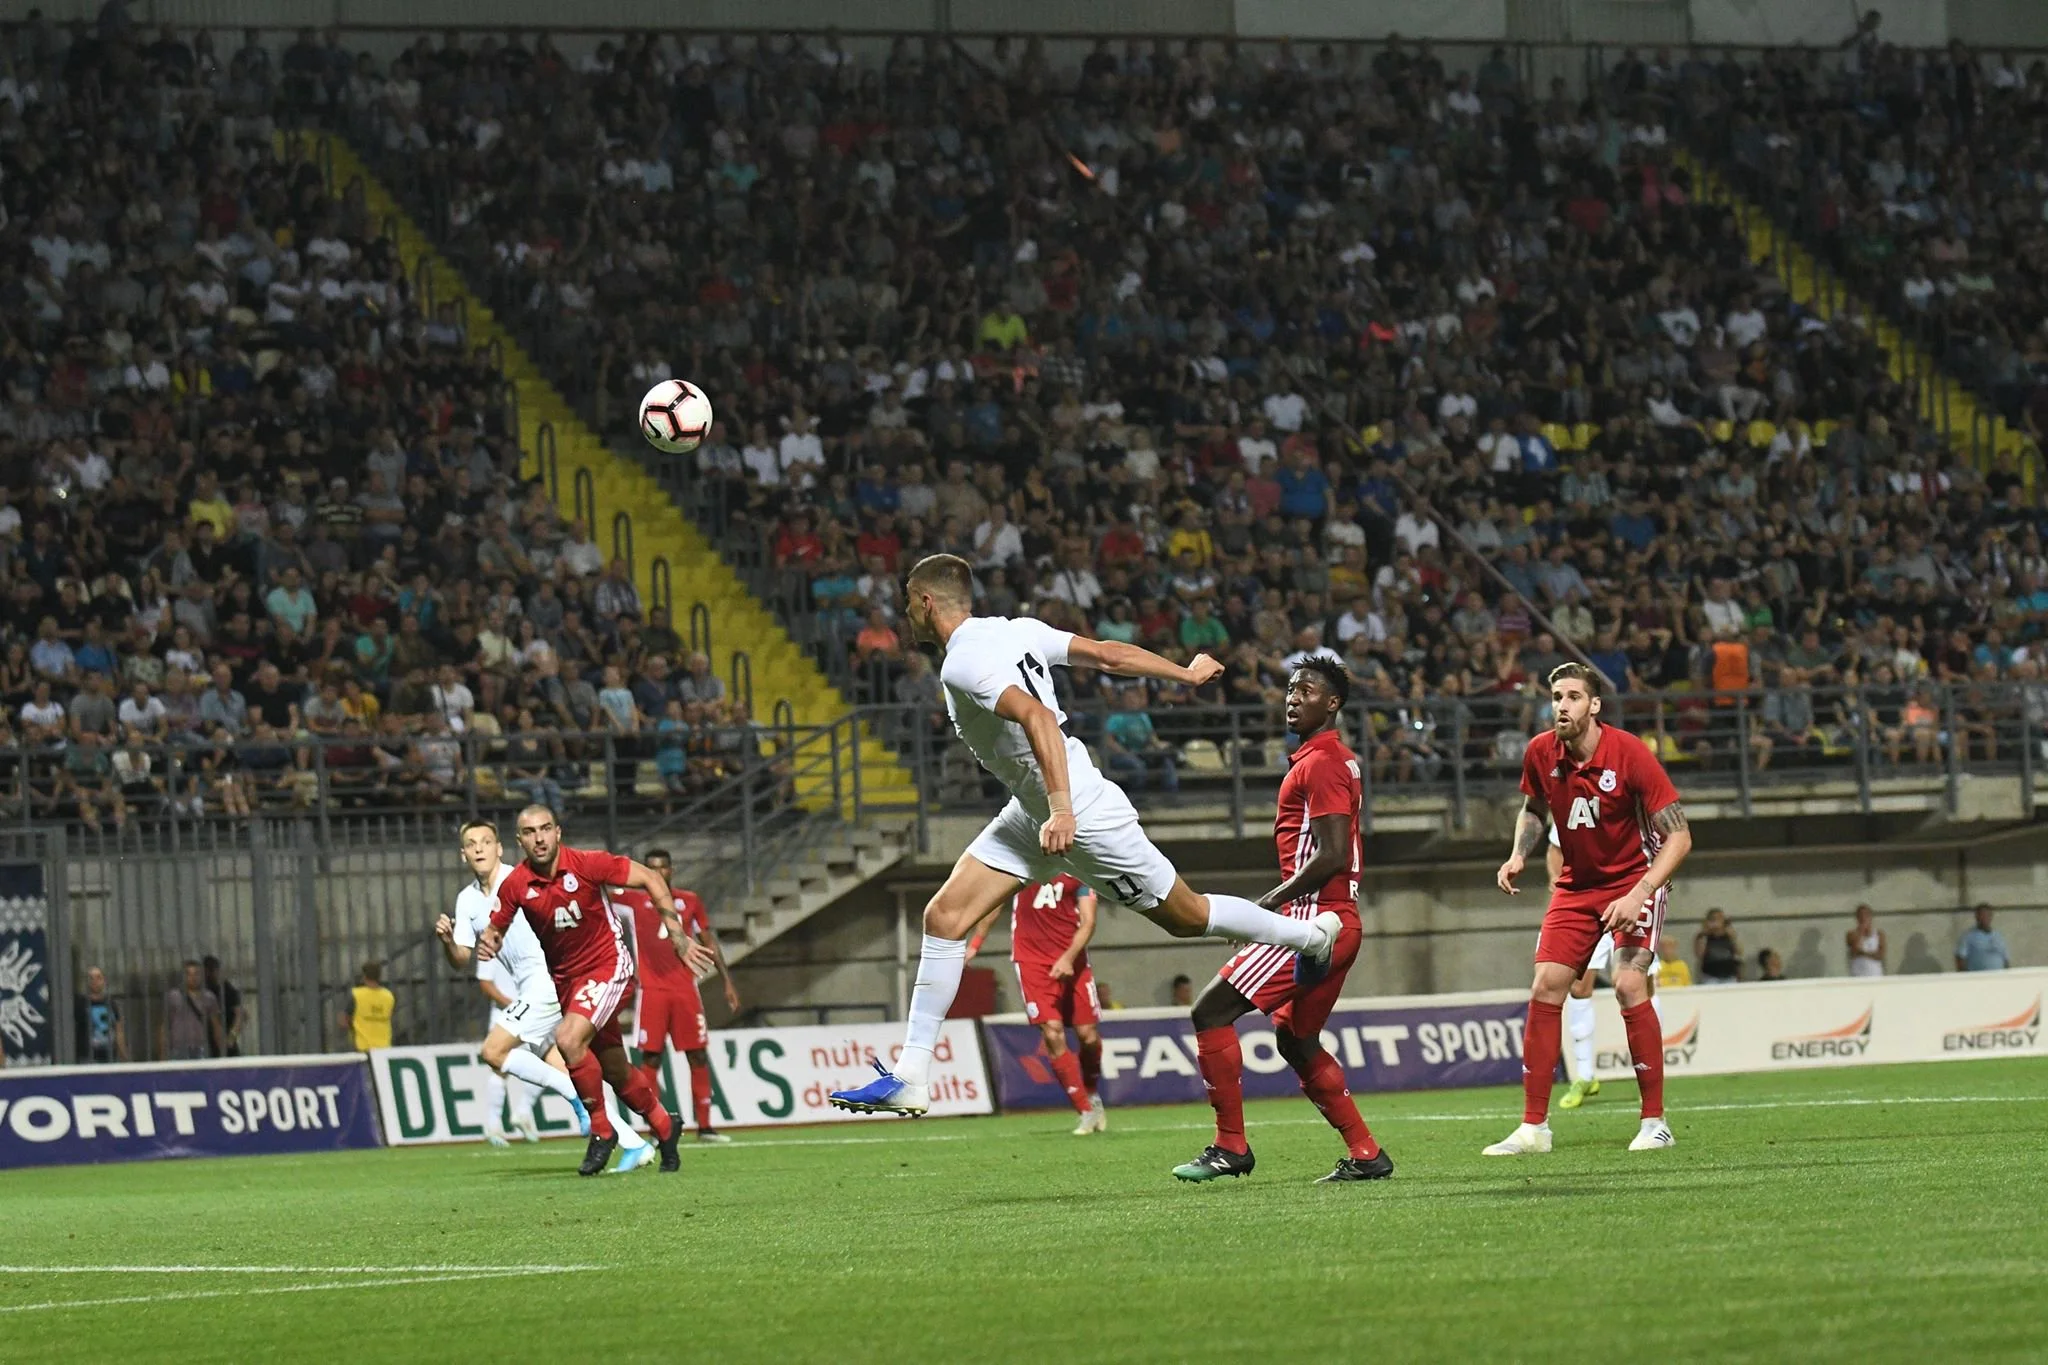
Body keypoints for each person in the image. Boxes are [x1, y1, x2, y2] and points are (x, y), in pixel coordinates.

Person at [828, 554, 1339, 1119]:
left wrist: (1062, 810)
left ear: (926, 603)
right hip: (1033, 809)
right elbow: (1107, 655)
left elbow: (1040, 720)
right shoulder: (1015, 631)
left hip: (1079, 812)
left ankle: (1311, 938)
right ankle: (911, 1075)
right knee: (945, 917)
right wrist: (1185, 673)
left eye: (908, 602)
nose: (905, 613)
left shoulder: (963, 663)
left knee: (1187, 917)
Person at [1172, 660, 1391, 1184]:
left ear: (1332, 704)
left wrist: (1267, 906)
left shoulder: (1322, 764)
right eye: (1291, 689)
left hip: (1313, 923)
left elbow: (1332, 854)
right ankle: (1367, 1153)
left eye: (1307, 690)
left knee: (1210, 1011)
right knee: (1296, 1040)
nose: (1293, 698)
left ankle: (1230, 1146)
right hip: (1339, 922)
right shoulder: (1332, 760)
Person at [1487, 662, 1692, 1156]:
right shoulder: (1541, 751)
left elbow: (1680, 837)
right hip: (1576, 888)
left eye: (1573, 697)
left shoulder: (1630, 753)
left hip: (1635, 879)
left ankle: (1655, 1123)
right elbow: (1534, 808)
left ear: (1595, 705)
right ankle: (1534, 1129)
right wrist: (1518, 855)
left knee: (1627, 983)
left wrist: (1639, 893)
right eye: (1556, 696)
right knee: (1546, 986)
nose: (1562, 705)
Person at [478, 804, 714, 1176]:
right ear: (519, 840)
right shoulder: (516, 885)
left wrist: (679, 937)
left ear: (558, 832)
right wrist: (489, 940)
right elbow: (497, 927)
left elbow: (651, 877)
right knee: (615, 1070)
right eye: (530, 832)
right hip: (567, 983)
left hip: (609, 966)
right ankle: (665, 1125)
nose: (539, 838)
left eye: (545, 828)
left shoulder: (589, 864)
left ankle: (602, 1130)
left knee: (568, 1038)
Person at [435, 819, 658, 1167]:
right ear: (463, 854)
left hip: (549, 981)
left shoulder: (521, 879)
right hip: (529, 987)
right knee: (566, 1071)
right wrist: (449, 942)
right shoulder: (467, 900)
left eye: (486, 841)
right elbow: (462, 958)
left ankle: (581, 1106)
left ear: (500, 848)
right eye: (471, 844)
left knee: (493, 1051)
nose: (479, 848)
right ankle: (634, 1144)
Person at [613, 847, 742, 1145]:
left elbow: (708, 941)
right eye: (651, 868)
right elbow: (600, 891)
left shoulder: (690, 901)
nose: (658, 873)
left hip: (685, 990)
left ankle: (705, 1127)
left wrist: (728, 982)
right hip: (652, 992)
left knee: (697, 1055)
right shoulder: (631, 900)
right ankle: (657, 1128)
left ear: (672, 869)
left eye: (663, 867)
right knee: (651, 1059)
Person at [971, 874, 1107, 1135]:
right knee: (1052, 1032)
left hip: (1074, 961)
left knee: (1088, 1037)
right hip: (1031, 961)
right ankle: (1085, 1111)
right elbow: (993, 903)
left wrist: (1068, 957)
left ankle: (1091, 1092)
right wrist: (975, 944)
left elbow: (1088, 922)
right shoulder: (1022, 868)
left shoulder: (1080, 871)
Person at [160, 959, 224, 1061]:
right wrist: (162, 1055)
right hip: (178, 1048)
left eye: (196, 974)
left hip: (201, 1047)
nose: (193, 978)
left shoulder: (209, 997)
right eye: (188, 974)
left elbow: (216, 1026)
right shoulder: (173, 996)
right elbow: (165, 1027)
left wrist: (222, 1051)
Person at [74, 965, 127, 1063]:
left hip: (110, 1057)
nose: (95, 981)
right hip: (87, 1058)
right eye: (91, 978)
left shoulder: (111, 1003)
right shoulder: (80, 1004)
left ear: (104, 981)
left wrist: (124, 1056)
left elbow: (118, 1030)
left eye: (98, 977)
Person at [340, 961, 394, 1052]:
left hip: (363, 1047)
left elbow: (343, 1021)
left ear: (364, 976)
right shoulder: (389, 996)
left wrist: (352, 1029)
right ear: (379, 976)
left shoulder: (356, 995)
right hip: (384, 1048)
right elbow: (389, 1016)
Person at [202, 955, 244, 1056]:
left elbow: (241, 1015)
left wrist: (231, 1037)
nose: (209, 974)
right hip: (206, 1042)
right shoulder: (202, 990)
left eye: (211, 970)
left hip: (222, 1040)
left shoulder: (227, 989)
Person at [1955, 905, 2011, 972]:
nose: (1984, 918)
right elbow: (1960, 958)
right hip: (1978, 976)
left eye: (1987, 915)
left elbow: (2005, 958)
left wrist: (2008, 973)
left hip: (1999, 976)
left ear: (1991, 916)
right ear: (1976, 917)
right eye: (1982, 915)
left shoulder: (1998, 936)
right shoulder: (1968, 936)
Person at [1695, 909, 1742, 984]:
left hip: (1729, 975)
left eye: (1720, 918)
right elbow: (1699, 954)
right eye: (1714, 919)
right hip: (1710, 976)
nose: (1717, 922)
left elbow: (1739, 952)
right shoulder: (1703, 936)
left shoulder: (1729, 935)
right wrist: (1704, 933)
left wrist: (1733, 937)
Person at [1847, 904, 1886, 977]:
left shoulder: (1879, 934)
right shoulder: (1851, 934)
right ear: (1857, 918)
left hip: (1876, 975)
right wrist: (1861, 932)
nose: (1863, 918)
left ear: (1871, 917)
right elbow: (1854, 952)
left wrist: (1863, 953)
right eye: (1860, 915)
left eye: (1866, 915)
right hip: (1858, 975)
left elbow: (1880, 955)